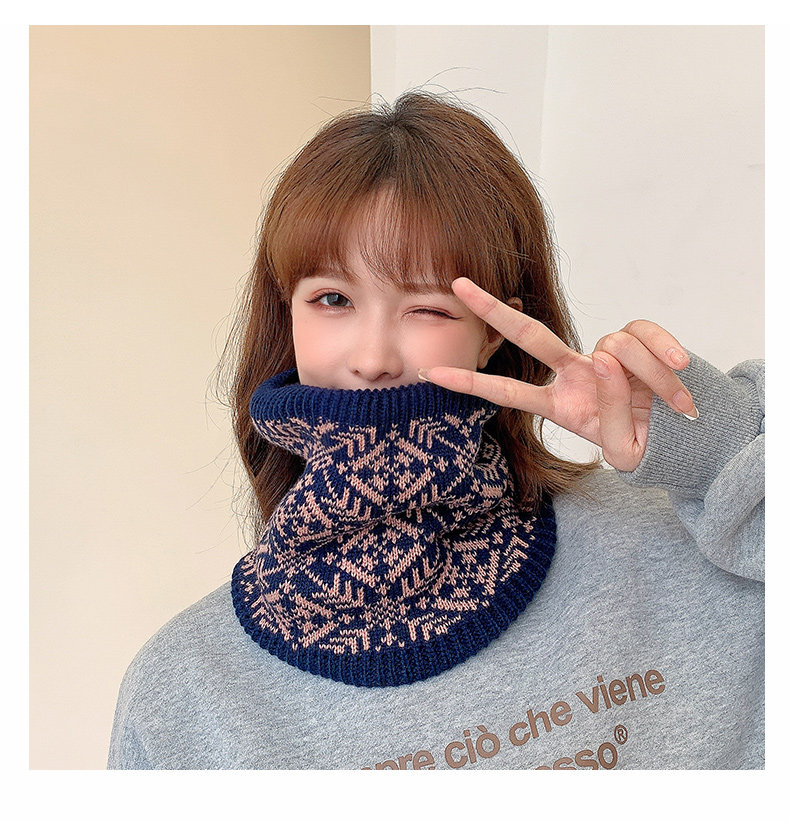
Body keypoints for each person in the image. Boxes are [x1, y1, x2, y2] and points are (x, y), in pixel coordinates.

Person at [107, 90, 764, 770]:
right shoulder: (183, 694)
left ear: (494, 333)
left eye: (427, 308)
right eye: (332, 299)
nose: (372, 358)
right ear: (288, 313)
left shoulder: (679, 543)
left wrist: (726, 453)